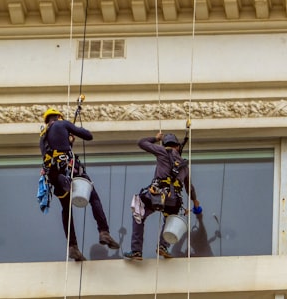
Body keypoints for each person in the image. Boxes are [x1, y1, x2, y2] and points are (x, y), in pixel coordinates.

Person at [40, 108, 120, 261]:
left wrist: (68, 141)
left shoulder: (43, 135)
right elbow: (88, 136)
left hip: (55, 175)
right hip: (69, 169)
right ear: (58, 117)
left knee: (66, 209)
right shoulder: (61, 124)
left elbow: (54, 149)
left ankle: (72, 246)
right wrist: (71, 131)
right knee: (93, 196)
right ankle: (104, 231)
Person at [123, 131, 200, 260]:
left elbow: (141, 143)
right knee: (170, 220)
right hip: (174, 201)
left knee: (138, 212)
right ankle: (163, 246)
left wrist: (155, 138)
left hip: (156, 196)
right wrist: (195, 200)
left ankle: (136, 250)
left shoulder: (162, 151)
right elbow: (189, 188)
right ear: (177, 146)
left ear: (166, 145)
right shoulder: (184, 166)